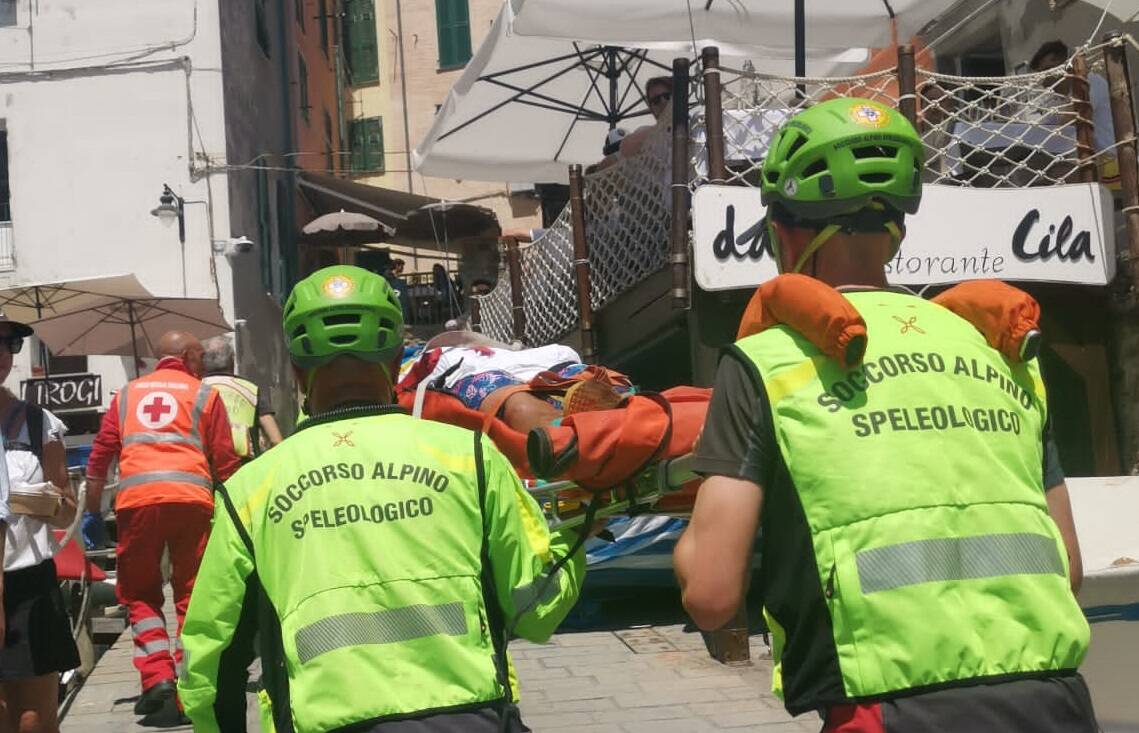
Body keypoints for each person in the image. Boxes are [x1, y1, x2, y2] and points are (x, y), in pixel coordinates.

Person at [674, 98, 1098, 733]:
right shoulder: (997, 348)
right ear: (896, 227)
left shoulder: (768, 360)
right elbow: (1065, 569)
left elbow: (711, 598)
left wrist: (685, 538)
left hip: (886, 705)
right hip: (1052, 701)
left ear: (784, 233)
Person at [178, 266, 589, 733]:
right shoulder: (469, 457)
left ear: (296, 371)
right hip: (470, 719)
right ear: (396, 362)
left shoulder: (249, 491)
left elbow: (212, 655)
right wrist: (577, 534)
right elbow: (535, 608)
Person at [83, 331, 241, 717]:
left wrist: (92, 501)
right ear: (187, 355)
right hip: (192, 502)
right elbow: (224, 459)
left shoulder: (127, 394)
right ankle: (190, 688)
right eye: (200, 356)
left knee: (139, 593)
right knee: (192, 595)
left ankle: (156, 677)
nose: (203, 363)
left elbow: (102, 449)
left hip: (137, 503)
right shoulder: (204, 394)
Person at [0, 315, 79, 733]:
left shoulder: (36, 422)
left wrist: (38, 504)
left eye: (8, 344)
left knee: (33, 719)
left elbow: (66, 507)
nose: (1, 354)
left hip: (28, 584)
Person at [1029, 40, 1118, 185]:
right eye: (1042, 75)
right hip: (1094, 163)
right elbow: (1044, 128)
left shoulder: (1090, 82)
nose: (1045, 82)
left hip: (1114, 163)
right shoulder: (1064, 98)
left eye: (1048, 71)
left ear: (1066, 66)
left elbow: (1065, 122)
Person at [201, 336, 284, 460]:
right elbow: (276, 440)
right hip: (245, 468)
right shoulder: (250, 390)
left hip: (206, 468)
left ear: (203, 363)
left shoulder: (195, 389)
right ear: (232, 360)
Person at [385, 258, 413, 324]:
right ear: (397, 265)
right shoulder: (388, 273)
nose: (402, 268)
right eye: (401, 266)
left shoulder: (395, 275)